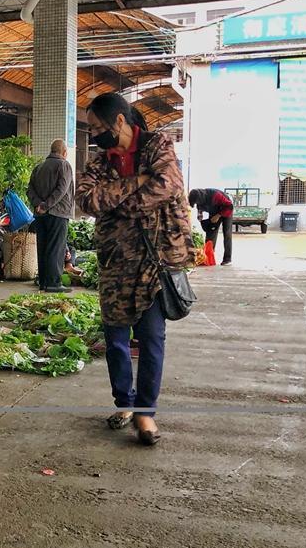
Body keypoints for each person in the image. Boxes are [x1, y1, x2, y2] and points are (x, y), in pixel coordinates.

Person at [74, 92, 190, 446]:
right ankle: (124, 402)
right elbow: (86, 199)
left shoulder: (158, 146)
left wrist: (118, 199)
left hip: (156, 260)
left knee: (152, 337)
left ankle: (145, 413)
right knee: (116, 340)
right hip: (115, 262)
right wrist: (137, 183)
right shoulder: (99, 162)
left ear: (119, 121)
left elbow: (167, 186)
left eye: (96, 127)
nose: (93, 135)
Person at [28, 139, 75, 292]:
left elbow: (30, 190)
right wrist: (46, 205)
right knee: (56, 247)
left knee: (43, 247)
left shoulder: (38, 167)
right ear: (64, 152)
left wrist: (38, 205)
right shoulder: (64, 165)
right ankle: (53, 283)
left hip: (40, 215)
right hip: (58, 212)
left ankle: (43, 281)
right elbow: (62, 190)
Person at [188, 188, 234, 266]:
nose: (197, 204)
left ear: (200, 198)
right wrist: (207, 227)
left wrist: (218, 215)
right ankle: (208, 258)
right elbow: (200, 216)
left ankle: (227, 259)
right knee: (211, 234)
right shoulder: (199, 202)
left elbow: (230, 206)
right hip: (215, 212)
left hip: (227, 209)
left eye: (196, 202)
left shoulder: (215, 195)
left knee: (227, 233)